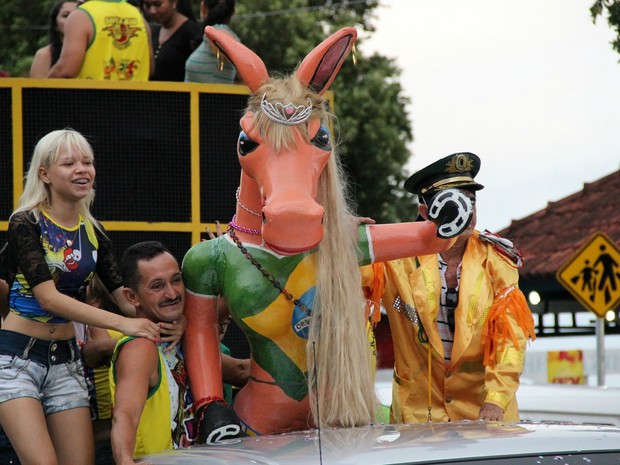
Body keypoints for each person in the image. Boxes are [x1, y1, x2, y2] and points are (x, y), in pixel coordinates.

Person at [0, 128, 160, 465]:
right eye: (69, 163)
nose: (82, 170)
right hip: (16, 360)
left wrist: (167, 321)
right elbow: (48, 298)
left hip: (66, 361)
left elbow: (123, 297)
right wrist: (126, 325)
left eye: (87, 162)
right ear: (44, 174)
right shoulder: (25, 222)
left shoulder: (93, 230)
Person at [364, 152, 536, 423]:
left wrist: (496, 401)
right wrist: (350, 237)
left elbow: (510, 341)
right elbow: (353, 281)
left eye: (471, 201)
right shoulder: (397, 258)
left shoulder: (497, 261)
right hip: (418, 422)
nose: (465, 212)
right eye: (454, 201)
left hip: (486, 424)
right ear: (424, 211)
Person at [80, 274, 187, 465]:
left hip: (132, 438)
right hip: (109, 438)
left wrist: (183, 326)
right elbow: (92, 352)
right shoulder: (130, 337)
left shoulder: (137, 325)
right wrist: (150, 336)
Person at [110, 241, 194, 464]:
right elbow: (125, 414)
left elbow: (236, 370)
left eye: (176, 280)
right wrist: (125, 460)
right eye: (157, 286)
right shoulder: (141, 346)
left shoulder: (173, 335)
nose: (172, 293)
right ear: (131, 297)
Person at [47, 0, 152, 80]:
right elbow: (149, 68)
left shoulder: (81, 16)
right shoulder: (139, 18)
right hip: (135, 103)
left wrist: (41, 88)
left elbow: (66, 69)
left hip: (93, 102)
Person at [143, 0, 202, 81]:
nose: (152, 11)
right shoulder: (155, 32)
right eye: (147, 6)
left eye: (158, 4)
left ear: (174, 2)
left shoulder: (192, 33)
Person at [184, 0, 239, 84]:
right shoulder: (211, 35)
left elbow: (244, 65)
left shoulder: (218, 32)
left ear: (203, 7)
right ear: (233, 12)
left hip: (211, 96)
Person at [29, 1, 78, 78]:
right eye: (66, 15)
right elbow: (36, 88)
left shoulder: (93, 52)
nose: (72, 20)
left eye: (77, 16)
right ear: (55, 24)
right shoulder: (45, 55)